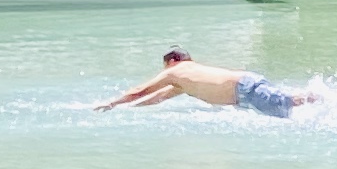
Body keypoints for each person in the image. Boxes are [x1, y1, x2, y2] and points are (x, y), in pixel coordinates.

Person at [96, 53, 322, 116]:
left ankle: (328, 97)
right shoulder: (185, 81)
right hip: (246, 89)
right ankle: (322, 99)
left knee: (289, 102)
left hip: (244, 88)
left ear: (172, 61)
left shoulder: (177, 71)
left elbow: (140, 91)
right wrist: (129, 110)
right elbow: (157, 97)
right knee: (286, 109)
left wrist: (111, 104)